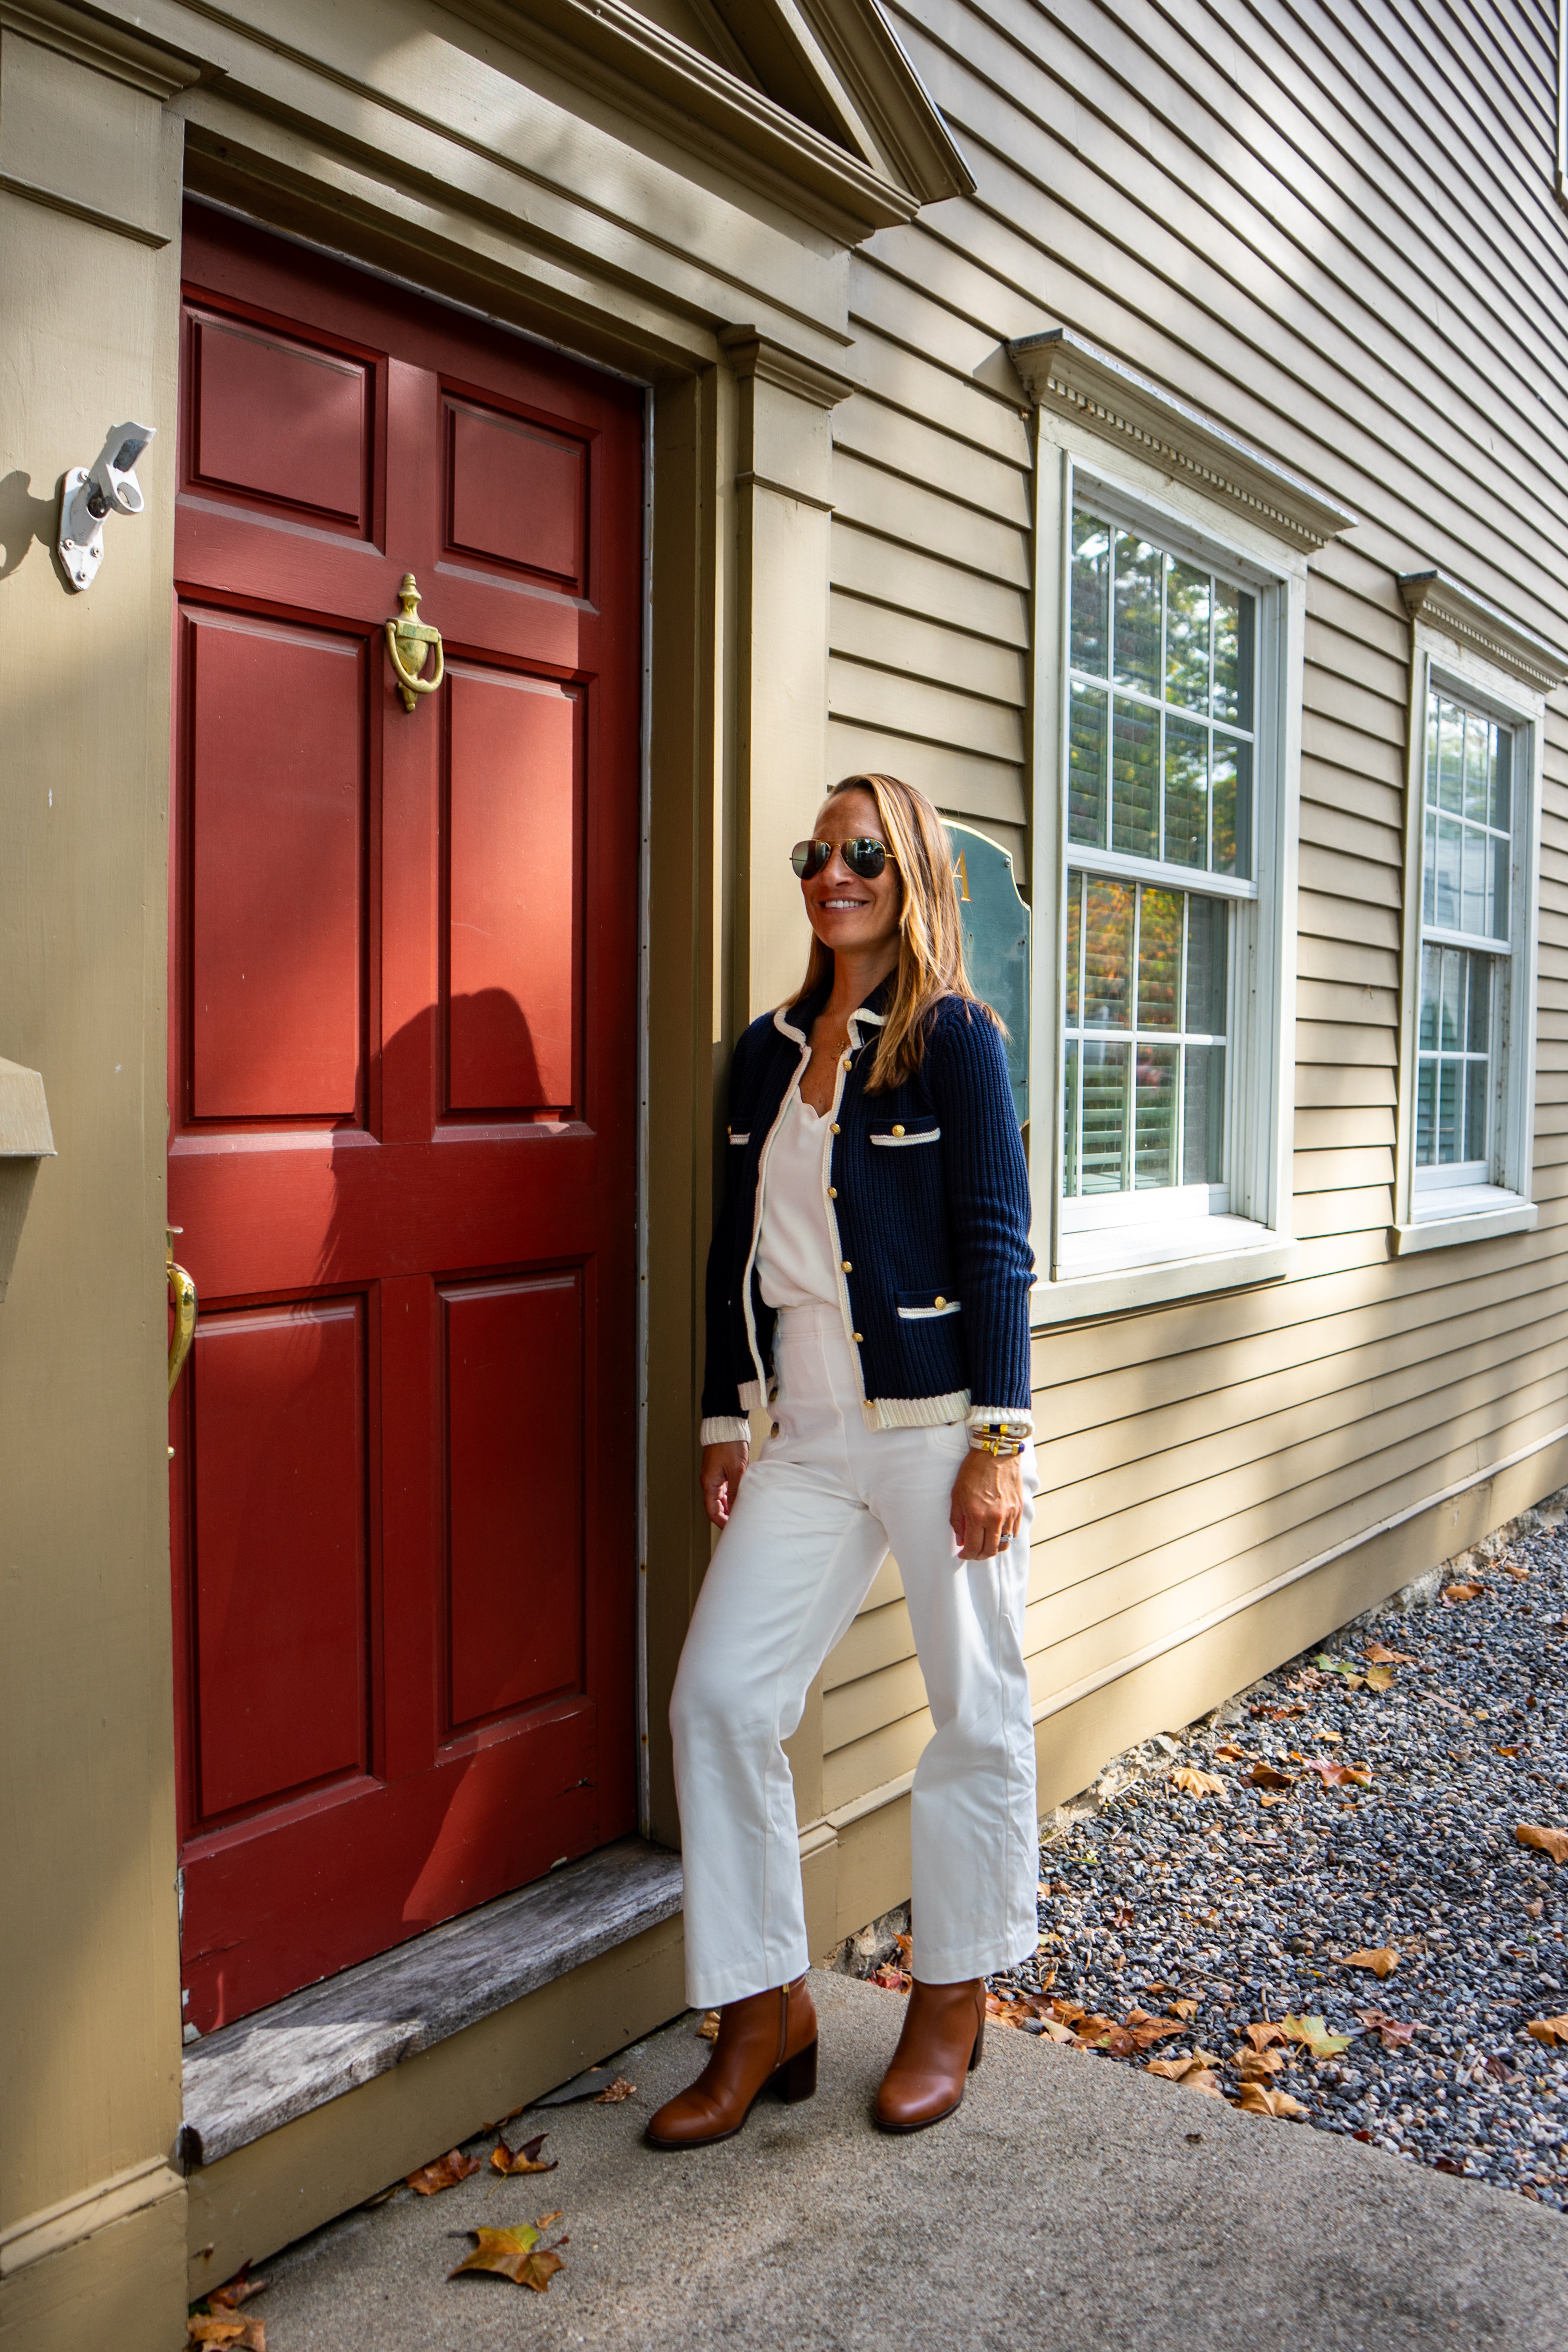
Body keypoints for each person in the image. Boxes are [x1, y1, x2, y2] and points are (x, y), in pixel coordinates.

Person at [646, 772, 1039, 2151]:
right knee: (718, 1703)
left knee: (975, 1708)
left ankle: (950, 1997)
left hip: (938, 1428)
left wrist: (997, 1441)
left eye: (863, 850)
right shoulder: (763, 1050)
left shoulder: (954, 1042)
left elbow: (995, 1243)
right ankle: (764, 2015)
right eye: (817, 851)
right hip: (802, 1436)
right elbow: (729, 1249)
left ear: (911, 868)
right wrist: (718, 1417)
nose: (833, 870)